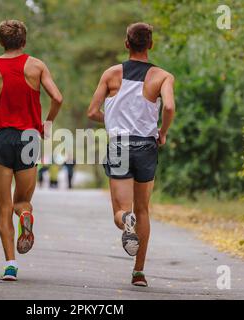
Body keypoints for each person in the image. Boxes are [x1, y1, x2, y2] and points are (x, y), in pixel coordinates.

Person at [0, 20, 63, 281]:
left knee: (4, 207)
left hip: (2, 138)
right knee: (22, 202)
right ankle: (27, 215)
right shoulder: (37, 66)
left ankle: (10, 265)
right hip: (30, 138)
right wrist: (47, 125)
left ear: (0, 42)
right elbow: (57, 98)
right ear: (24, 41)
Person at [87, 22, 176, 287]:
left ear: (127, 44)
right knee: (144, 209)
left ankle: (126, 221)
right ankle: (139, 272)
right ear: (151, 44)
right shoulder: (163, 76)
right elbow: (169, 106)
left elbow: (92, 112)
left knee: (122, 211)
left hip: (119, 146)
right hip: (146, 146)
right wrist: (163, 131)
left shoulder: (112, 74)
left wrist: (112, 120)